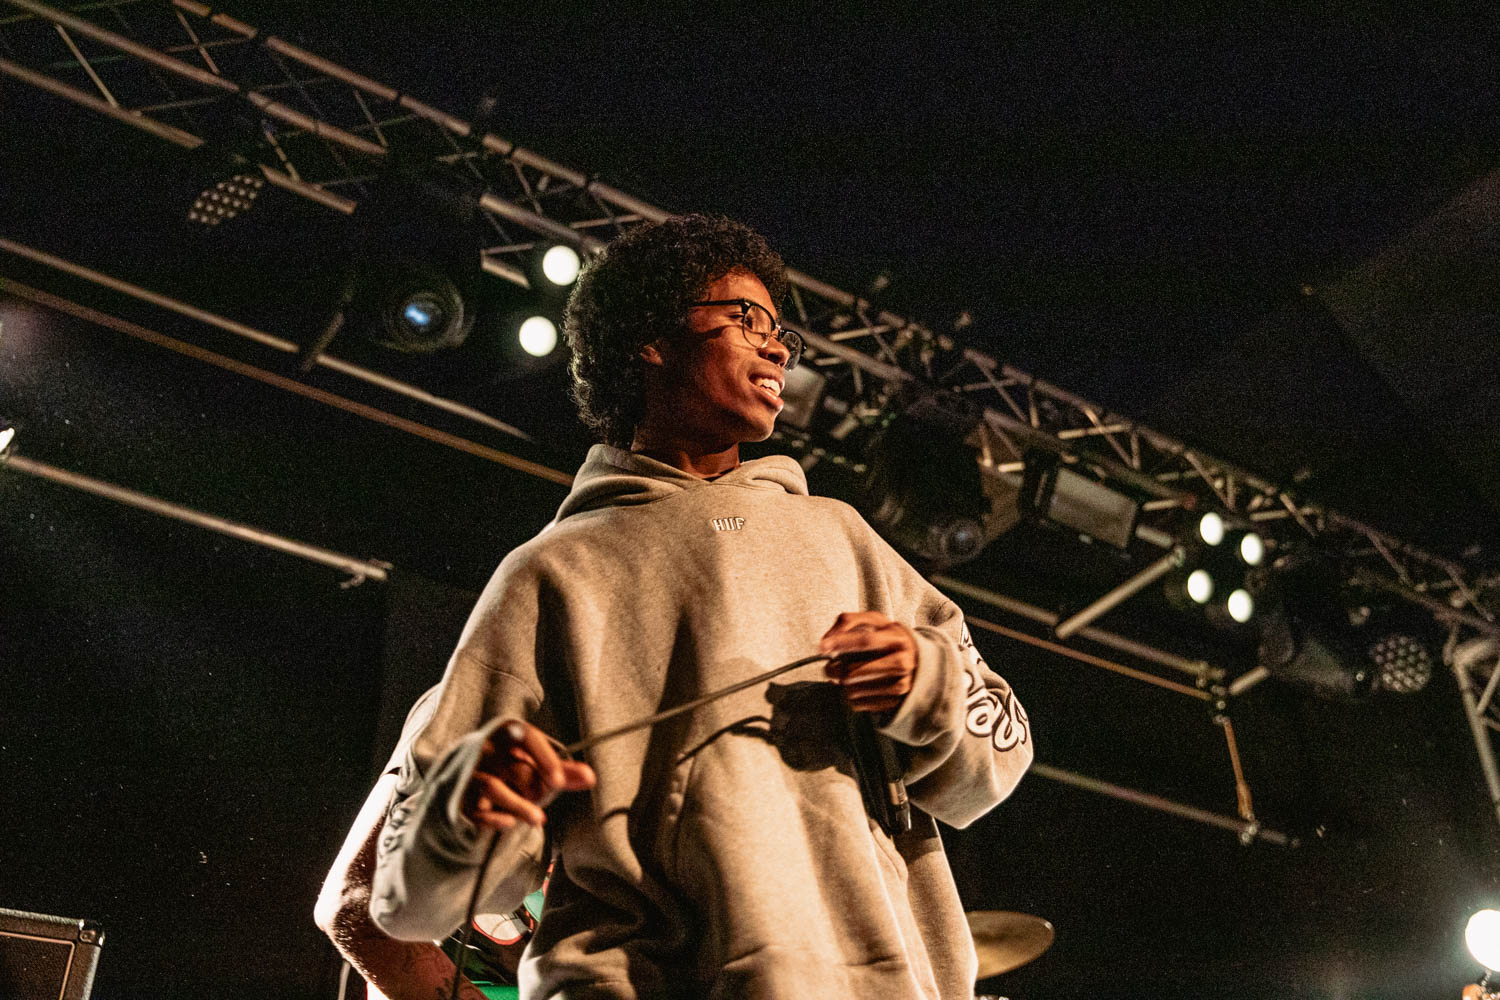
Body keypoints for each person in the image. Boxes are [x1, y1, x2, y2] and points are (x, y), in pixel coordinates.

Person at [370, 214, 1033, 999]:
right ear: (650, 339)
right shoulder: (551, 574)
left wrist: (927, 686)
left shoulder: (844, 539)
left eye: (780, 332)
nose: (777, 349)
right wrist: (466, 816)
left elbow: (1000, 756)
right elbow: (404, 904)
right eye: (746, 318)